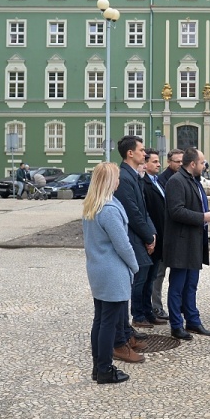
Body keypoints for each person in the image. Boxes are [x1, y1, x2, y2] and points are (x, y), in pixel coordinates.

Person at [82, 162, 140, 384]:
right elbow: (123, 245)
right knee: (108, 322)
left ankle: (99, 367)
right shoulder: (109, 210)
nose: (119, 181)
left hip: (98, 270)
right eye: (116, 177)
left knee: (100, 320)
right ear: (109, 182)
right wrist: (134, 266)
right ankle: (105, 369)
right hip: (112, 272)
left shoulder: (93, 206)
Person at [163, 147, 210, 340]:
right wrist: (202, 216)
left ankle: (193, 321)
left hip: (193, 242)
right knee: (177, 286)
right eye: (202, 163)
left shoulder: (193, 181)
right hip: (180, 244)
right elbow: (176, 211)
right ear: (192, 164)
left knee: (191, 285)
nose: (204, 166)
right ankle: (176, 325)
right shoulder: (176, 181)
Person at [113, 136, 161, 331]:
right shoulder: (123, 177)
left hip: (143, 236)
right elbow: (132, 214)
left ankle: (146, 312)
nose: (145, 153)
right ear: (130, 153)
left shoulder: (133, 175)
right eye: (142, 150)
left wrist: (153, 234)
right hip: (133, 237)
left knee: (148, 276)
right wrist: (149, 237)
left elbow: (144, 210)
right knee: (139, 278)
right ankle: (137, 316)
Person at [153, 148, 184, 319]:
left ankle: (177, 306)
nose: (180, 164)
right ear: (169, 162)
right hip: (164, 235)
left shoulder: (185, 178)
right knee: (159, 274)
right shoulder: (162, 180)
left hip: (177, 236)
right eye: (177, 161)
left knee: (178, 274)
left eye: (182, 161)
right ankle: (156, 307)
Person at [140, 148, 169, 328]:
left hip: (160, 237)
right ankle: (142, 313)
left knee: (152, 278)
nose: (159, 165)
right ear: (145, 163)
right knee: (145, 278)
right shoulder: (143, 184)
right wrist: (149, 236)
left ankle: (149, 312)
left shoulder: (157, 181)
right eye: (155, 162)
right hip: (151, 237)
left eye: (159, 161)